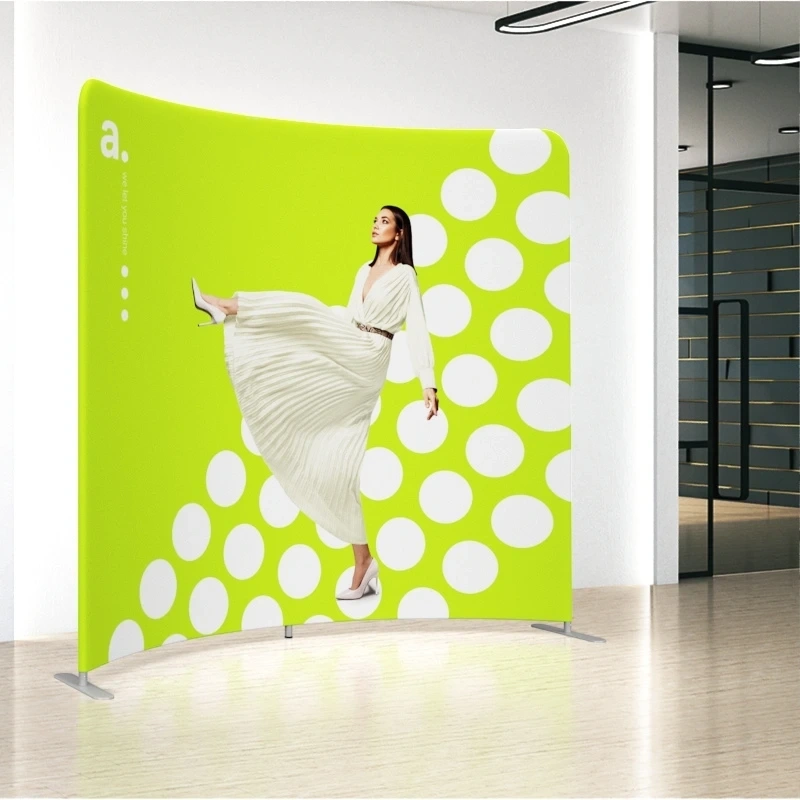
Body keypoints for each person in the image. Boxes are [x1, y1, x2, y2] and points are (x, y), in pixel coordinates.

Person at [190, 205, 439, 601]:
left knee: (308, 310)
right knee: (338, 466)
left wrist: (428, 383)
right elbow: (347, 318)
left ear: (401, 233)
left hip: (371, 353)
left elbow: (419, 326)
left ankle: (230, 307)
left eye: (384, 221)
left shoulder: (405, 276)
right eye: (374, 219)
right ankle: (364, 561)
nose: (375, 225)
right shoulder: (363, 270)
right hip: (349, 344)